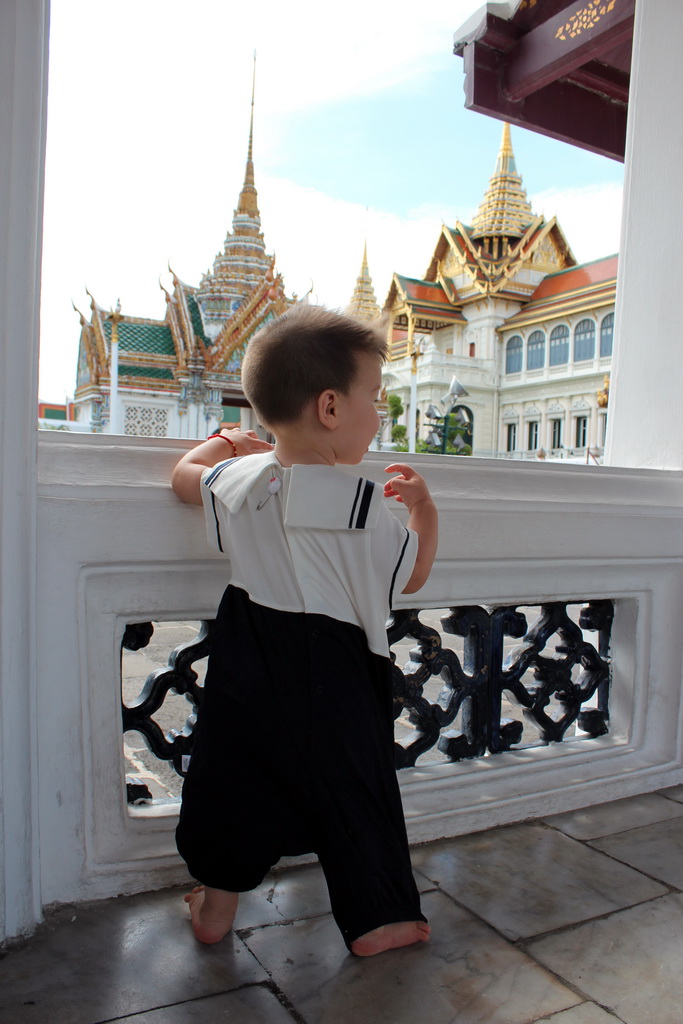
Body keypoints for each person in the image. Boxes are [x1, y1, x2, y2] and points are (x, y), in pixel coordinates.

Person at [171, 304, 438, 957]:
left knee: (232, 780)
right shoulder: (363, 504)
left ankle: (215, 906)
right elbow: (411, 577)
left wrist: (230, 442)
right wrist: (425, 513)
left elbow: (185, 477)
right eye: (373, 397)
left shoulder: (239, 480)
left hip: (248, 652)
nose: (379, 413)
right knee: (357, 788)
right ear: (329, 408)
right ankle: (381, 918)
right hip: (340, 664)